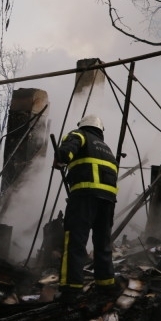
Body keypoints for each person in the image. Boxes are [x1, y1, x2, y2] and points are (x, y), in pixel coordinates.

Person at [53, 114, 120, 302]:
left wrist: (60, 158)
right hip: (107, 201)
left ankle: (71, 288)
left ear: (83, 126)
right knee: (102, 242)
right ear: (100, 131)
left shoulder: (79, 135)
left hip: (84, 197)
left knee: (75, 240)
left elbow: (66, 153)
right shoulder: (106, 149)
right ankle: (106, 285)